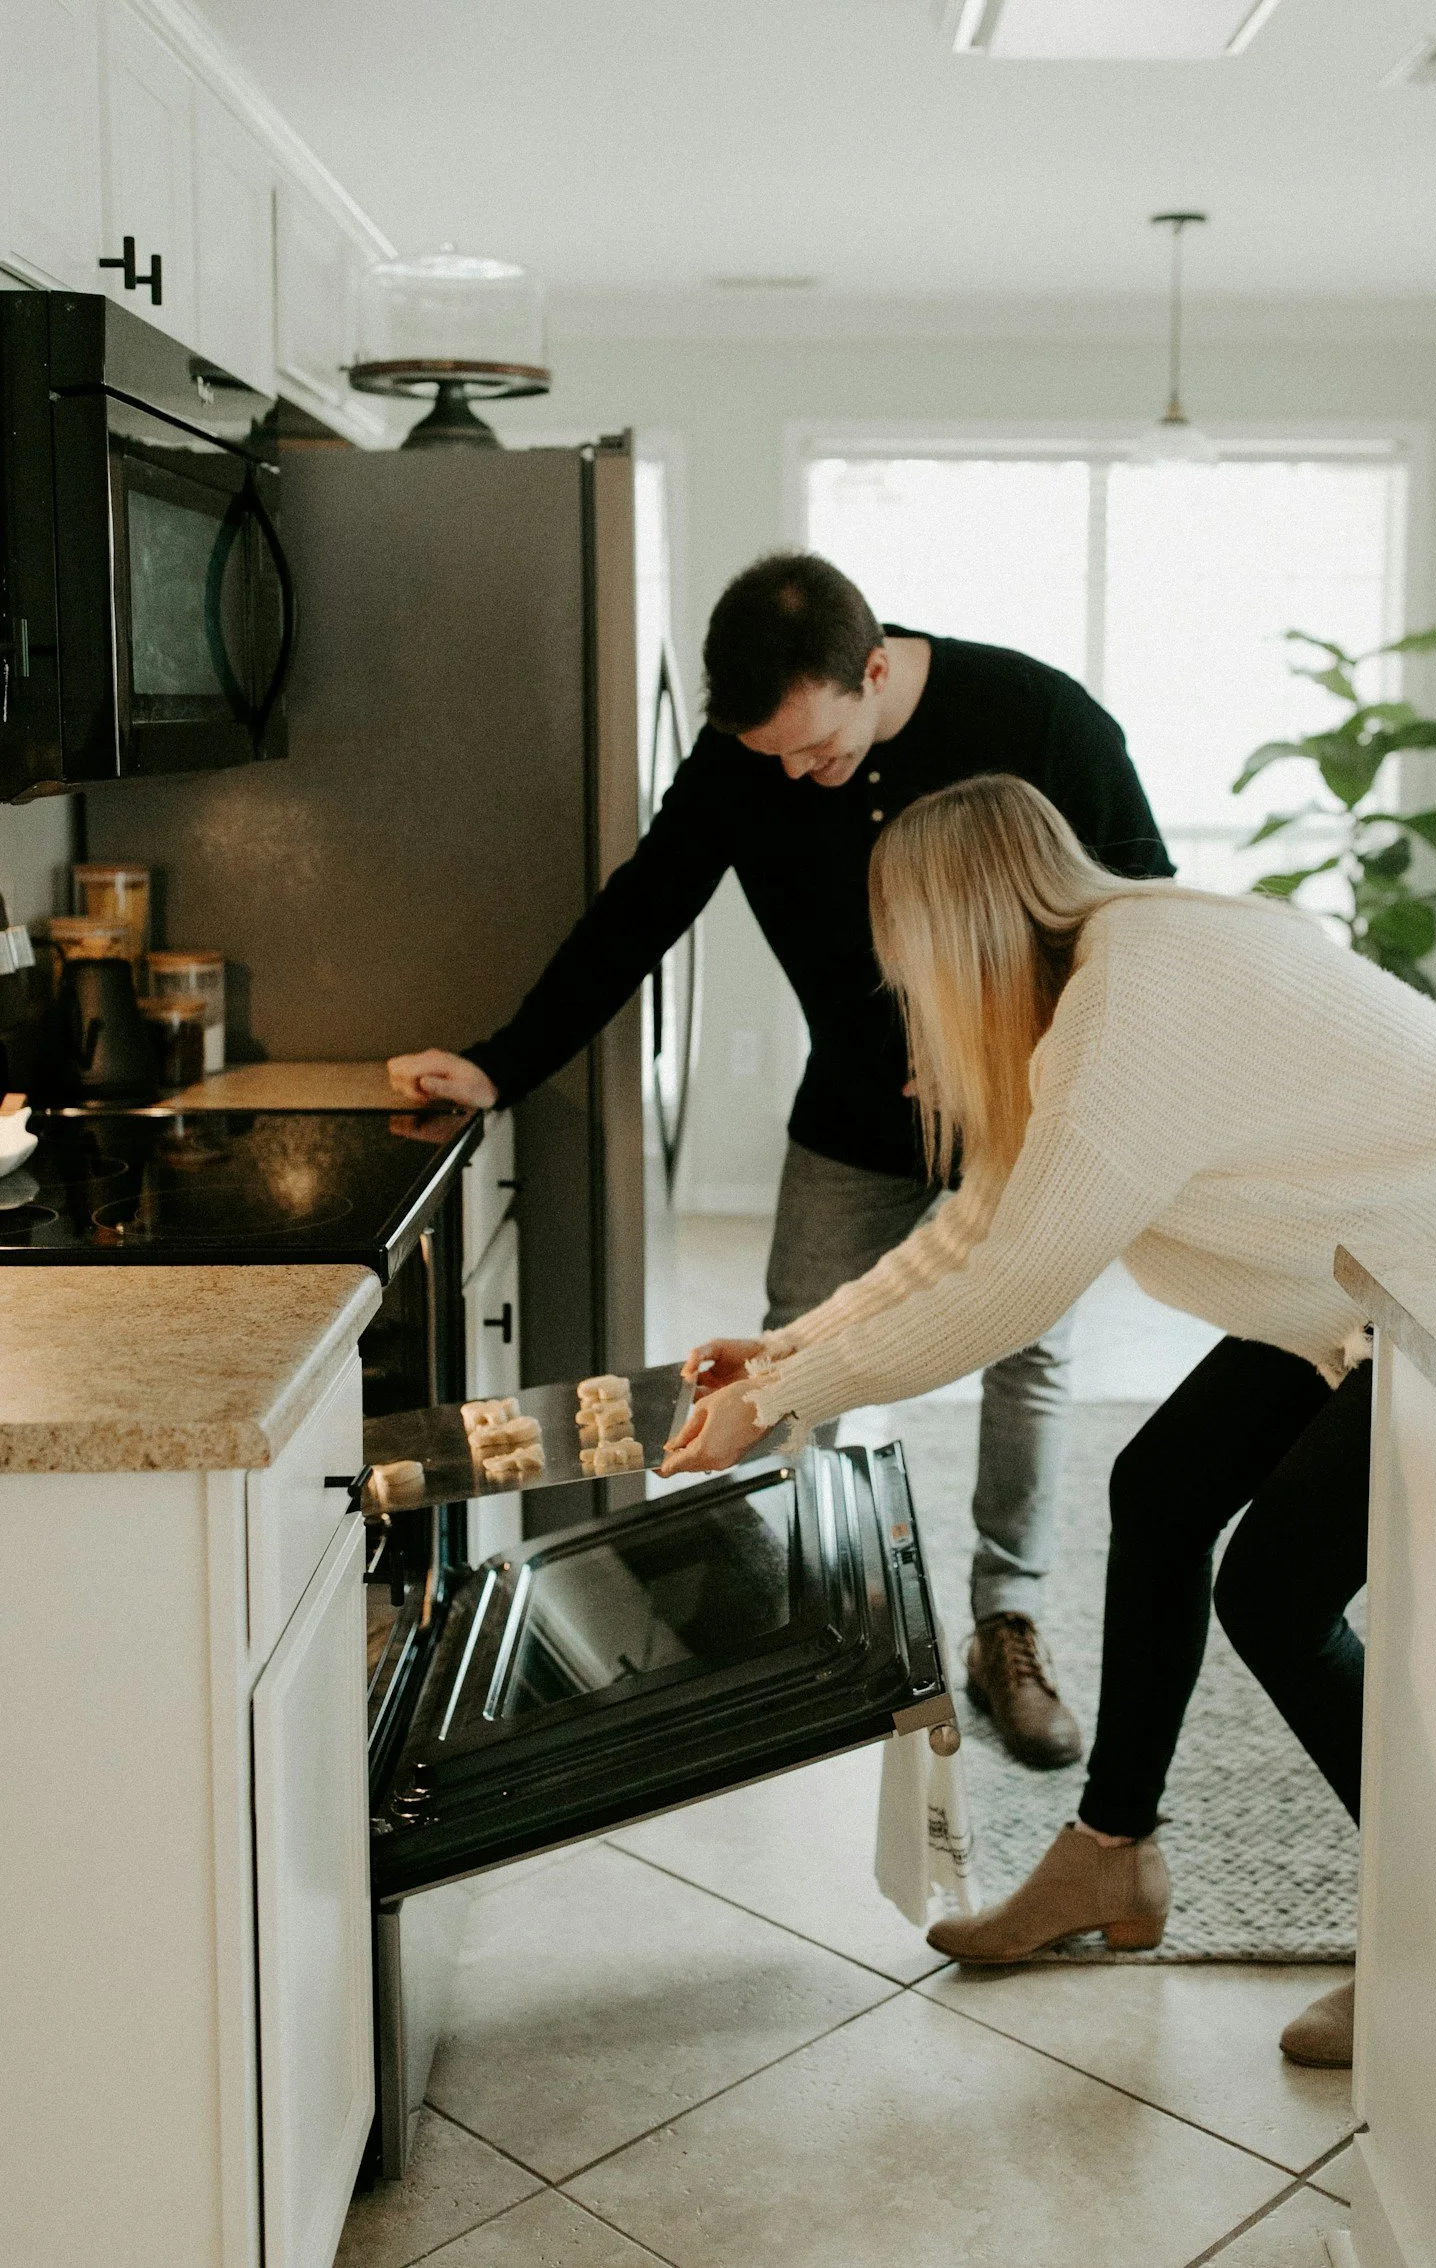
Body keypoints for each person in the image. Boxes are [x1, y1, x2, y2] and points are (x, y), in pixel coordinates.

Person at [663, 773, 1436, 2066]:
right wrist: (787, 1346)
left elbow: (1005, 1290)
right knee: (1163, 1486)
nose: (903, 995)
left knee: (1273, 1589)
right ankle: (1109, 1857)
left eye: (903, 963)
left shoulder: (1125, 1013)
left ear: (955, 937)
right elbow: (978, 1229)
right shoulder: (1109, 969)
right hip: (1385, 1264)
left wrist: (779, 1399)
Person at [389, 552, 1173, 1767]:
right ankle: (812, 1614)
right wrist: (501, 1062)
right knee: (794, 1344)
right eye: (775, 761)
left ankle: (1002, 1621)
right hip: (850, 1114)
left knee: (1031, 1352)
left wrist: (1029, 1045)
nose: (799, 777)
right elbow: (639, 911)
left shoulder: (1038, 715)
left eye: (818, 750)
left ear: (873, 668)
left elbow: (1143, 910)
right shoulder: (751, 755)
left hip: (1025, 1107)